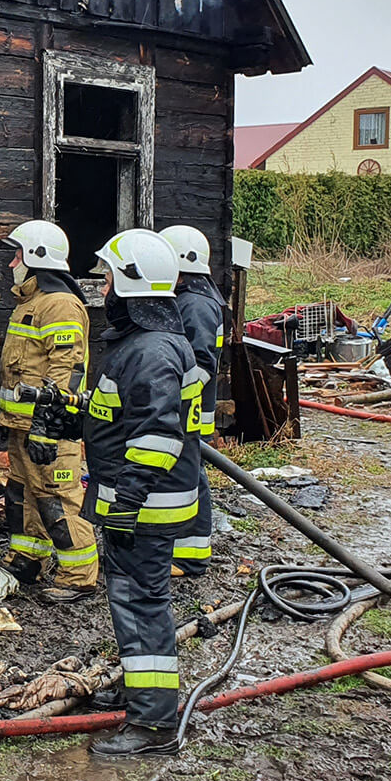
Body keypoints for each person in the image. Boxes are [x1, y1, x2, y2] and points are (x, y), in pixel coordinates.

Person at [82, 229, 205, 756]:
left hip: (145, 506)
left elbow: (157, 439)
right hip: (144, 498)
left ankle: (153, 723)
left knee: (141, 603)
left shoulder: (151, 352)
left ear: (129, 283)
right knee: (133, 601)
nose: (103, 287)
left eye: (108, 277)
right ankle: (141, 691)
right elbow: (123, 418)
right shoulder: (153, 344)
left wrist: (126, 504)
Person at [0, 219, 101, 603]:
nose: (12, 263)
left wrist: (47, 425)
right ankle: (28, 559)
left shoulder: (59, 305)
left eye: (18, 254)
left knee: (57, 497)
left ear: (38, 257)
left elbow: (67, 370)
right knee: (23, 495)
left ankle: (78, 575)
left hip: (49, 429)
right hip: (21, 424)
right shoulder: (32, 302)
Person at [160, 225, 225, 577]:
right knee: (185, 475)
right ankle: (183, 548)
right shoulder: (192, 298)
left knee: (188, 477)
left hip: (188, 411)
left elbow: (200, 364)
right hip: (188, 409)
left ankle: (190, 555)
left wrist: (167, 396)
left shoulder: (195, 304)